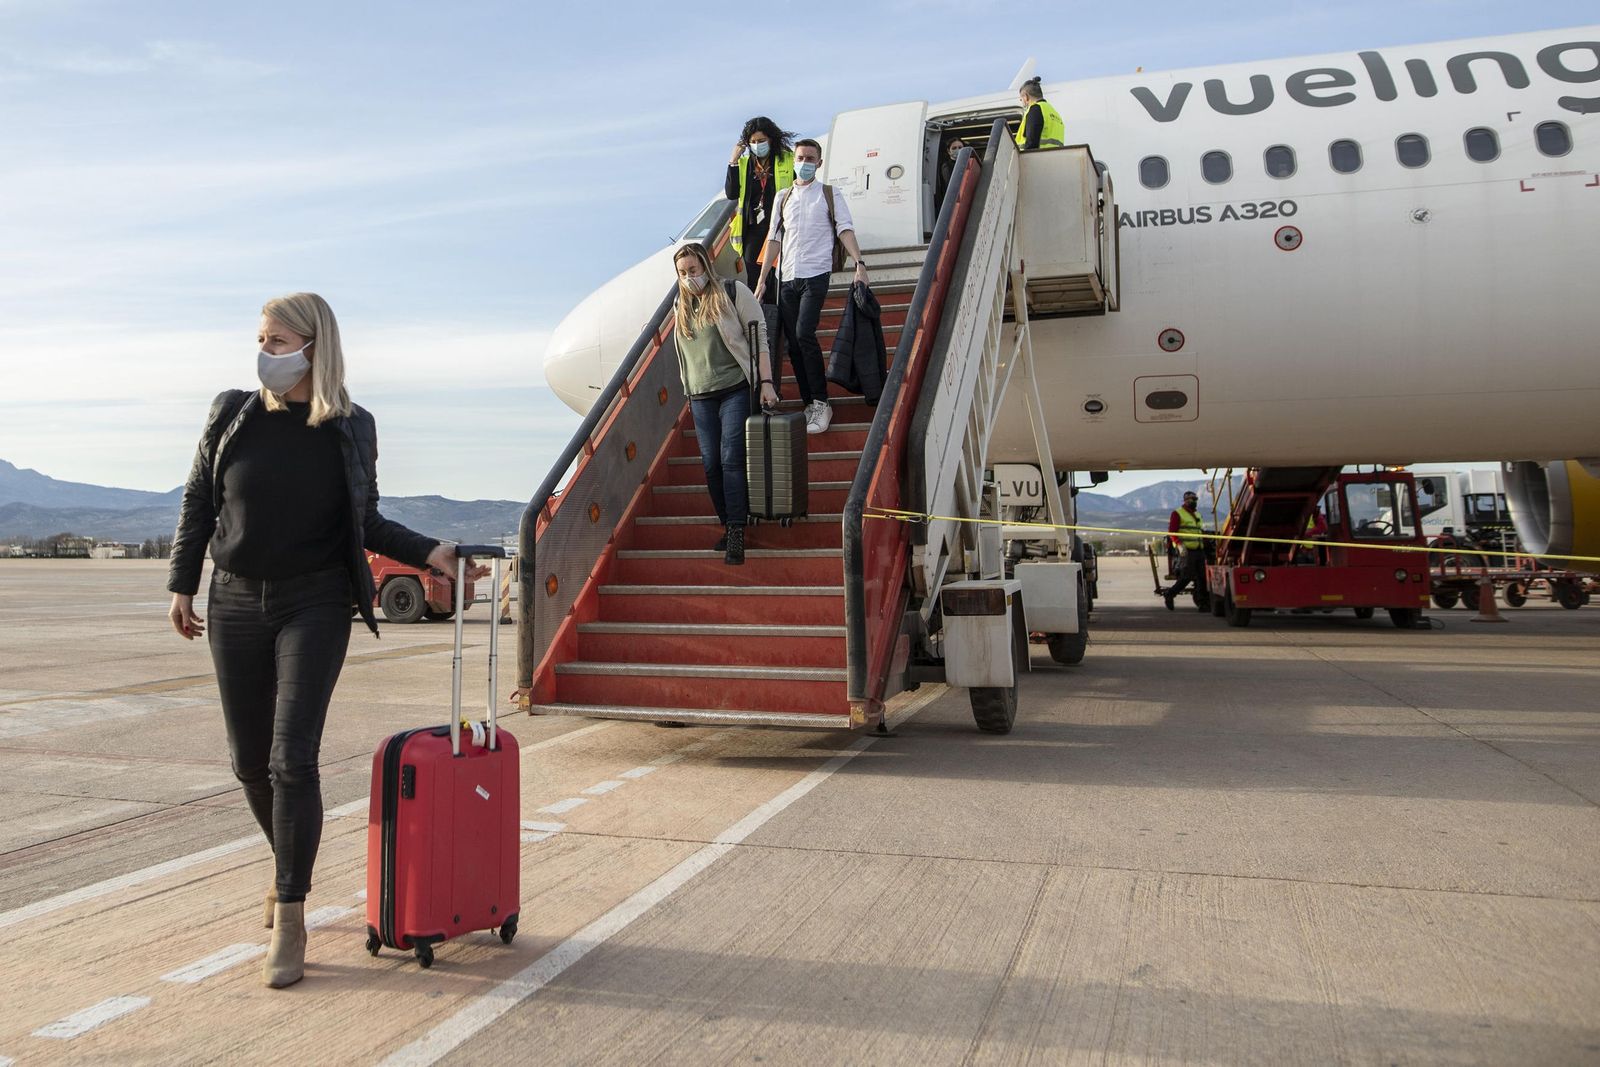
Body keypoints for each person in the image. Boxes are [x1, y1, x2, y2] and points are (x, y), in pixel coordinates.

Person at [165, 292, 484, 989]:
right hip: (236, 600)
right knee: (248, 762)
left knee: (289, 759)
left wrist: (431, 548)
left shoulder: (350, 426)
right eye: (260, 338)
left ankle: (290, 909)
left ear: (315, 346)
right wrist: (181, 582)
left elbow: (364, 519)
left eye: (278, 340)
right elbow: (198, 500)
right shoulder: (231, 412)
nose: (265, 352)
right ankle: (291, 861)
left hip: (314, 601)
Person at [672, 242, 779, 565]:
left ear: (705, 266)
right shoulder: (681, 307)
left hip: (735, 387)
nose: (690, 277)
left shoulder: (733, 293)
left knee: (731, 457)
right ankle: (728, 518)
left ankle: (736, 530)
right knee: (710, 464)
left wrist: (766, 382)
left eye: (694, 270)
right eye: (683, 273)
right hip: (700, 394)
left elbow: (759, 335)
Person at [753, 138, 869, 435]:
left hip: (816, 273)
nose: (804, 163)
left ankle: (821, 401)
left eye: (810, 159)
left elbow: (844, 228)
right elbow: (774, 239)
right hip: (787, 276)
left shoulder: (829, 194)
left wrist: (860, 264)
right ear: (794, 161)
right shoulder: (783, 196)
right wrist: (764, 279)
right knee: (793, 342)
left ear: (819, 163)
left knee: (805, 333)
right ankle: (809, 402)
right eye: (800, 157)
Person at [725, 117, 795, 298]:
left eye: (761, 141)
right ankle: (759, 318)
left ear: (771, 139)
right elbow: (732, 194)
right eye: (753, 142)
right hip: (753, 228)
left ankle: (774, 318)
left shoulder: (786, 159)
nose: (757, 145)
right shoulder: (744, 164)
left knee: (774, 277)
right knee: (754, 276)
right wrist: (733, 160)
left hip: (779, 226)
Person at [1162, 490, 1206, 610]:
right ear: (1185, 501)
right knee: (1187, 576)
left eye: (1195, 499)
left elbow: (1200, 531)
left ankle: (1202, 603)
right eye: (1191, 499)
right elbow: (1172, 532)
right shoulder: (1177, 513)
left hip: (1199, 549)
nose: (1194, 502)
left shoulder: (1198, 514)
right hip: (1187, 550)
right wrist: (1179, 545)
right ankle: (1170, 594)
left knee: (1202, 577)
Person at [1016, 77, 1065, 151]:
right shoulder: (1054, 112)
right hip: (1055, 158)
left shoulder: (1035, 109)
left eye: (1021, 99)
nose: (1022, 102)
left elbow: (1032, 141)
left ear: (1026, 97)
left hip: (1037, 159)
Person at [935, 137, 967, 215]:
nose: (958, 150)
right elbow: (950, 185)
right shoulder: (946, 166)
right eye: (954, 148)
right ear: (949, 151)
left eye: (960, 147)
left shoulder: (967, 163)